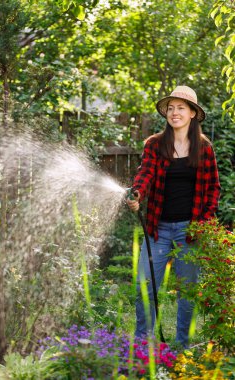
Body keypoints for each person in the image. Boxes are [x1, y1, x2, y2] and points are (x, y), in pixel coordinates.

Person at [127, 85, 221, 348]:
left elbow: (214, 188)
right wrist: (137, 195)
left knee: (187, 294)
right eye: (171, 108)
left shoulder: (204, 147)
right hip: (158, 229)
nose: (175, 112)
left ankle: (182, 349)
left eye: (181, 107)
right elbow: (144, 175)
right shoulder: (155, 145)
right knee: (144, 288)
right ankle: (143, 348)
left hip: (190, 231)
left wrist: (203, 224)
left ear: (192, 113)